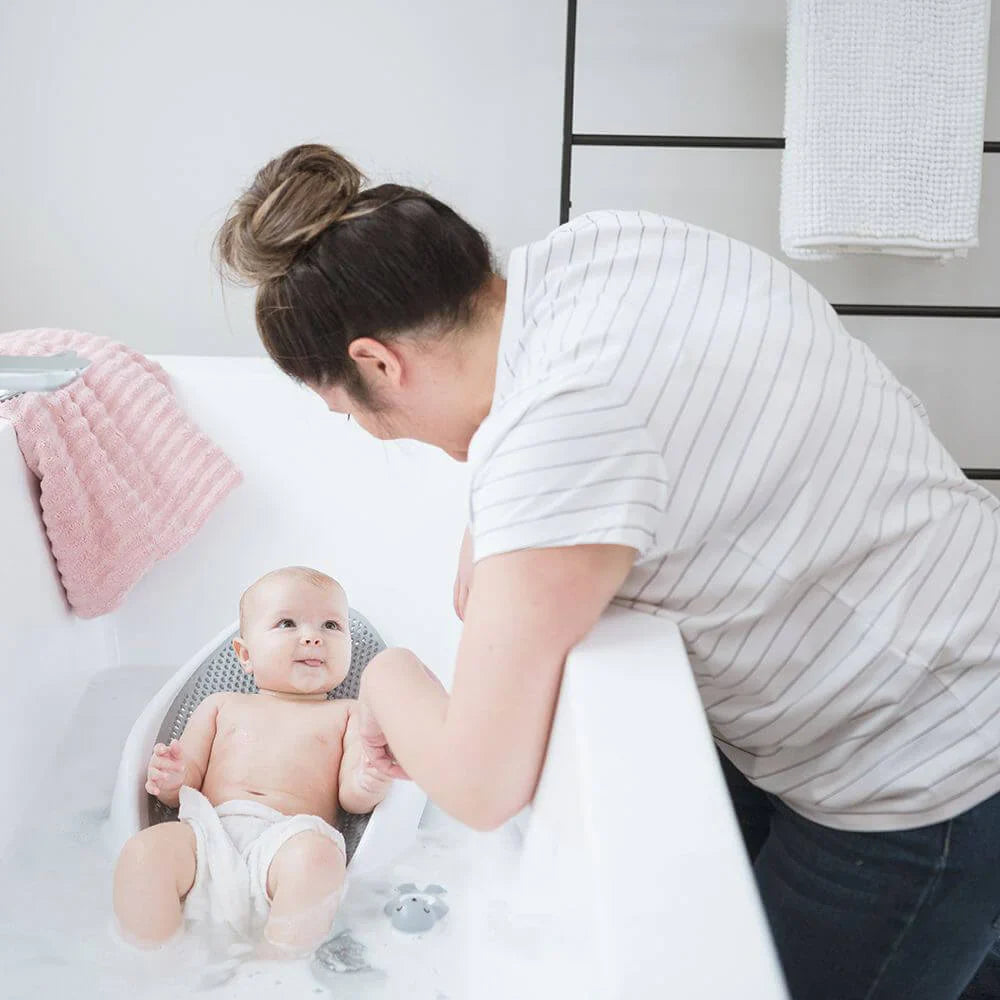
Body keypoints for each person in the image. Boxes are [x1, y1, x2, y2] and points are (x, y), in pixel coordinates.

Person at [214, 143, 1000, 1000]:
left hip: (928, 767)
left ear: (378, 364)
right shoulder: (612, 249)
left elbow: (481, 786)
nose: (375, 434)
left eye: (353, 414)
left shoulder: (560, 435)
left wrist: (385, 675)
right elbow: (613, 428)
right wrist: (498, 512)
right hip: (953, 617)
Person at [112, 566, 394, 958]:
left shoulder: (347, 714)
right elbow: (183, 788)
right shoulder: (221, 705)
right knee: (144, 852)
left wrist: (370, 780)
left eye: (331, 625)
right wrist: (173, 777)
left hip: (288, 842)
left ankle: (274, 970)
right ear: (245, 655)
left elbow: (352, 798)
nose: (312, 636)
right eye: (287, 623)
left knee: (319, 860)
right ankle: (154, 965)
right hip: (206, 835)